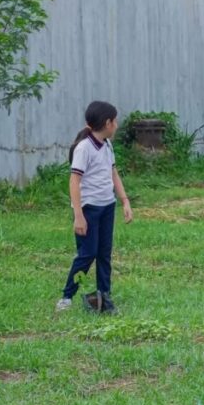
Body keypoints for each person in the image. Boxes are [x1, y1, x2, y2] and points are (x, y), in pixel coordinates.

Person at [56, 102, 133, 314]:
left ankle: (103, 295)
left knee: (104, 253)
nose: (117, 125)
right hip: (89, 209)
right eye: (115, 121)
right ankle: (67, 296)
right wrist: (78, 216)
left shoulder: (107, 145)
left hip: (107, 206)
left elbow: (113, 173)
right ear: (107, 123)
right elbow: (74, 182)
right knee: (87, 254)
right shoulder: (84, 148)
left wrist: (124, 201)